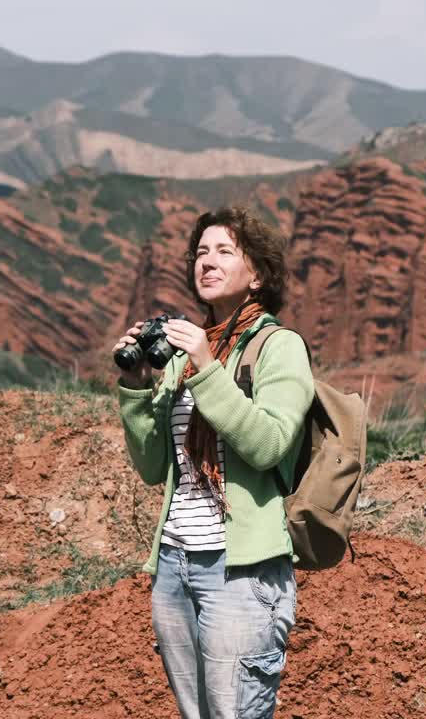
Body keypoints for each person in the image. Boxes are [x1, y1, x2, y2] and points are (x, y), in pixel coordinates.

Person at [113, 206, 315, 719]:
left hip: (240, 573)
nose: (208, 261)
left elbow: (269, 443)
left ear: (258, 275)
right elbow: (155, 466)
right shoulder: (183, 354)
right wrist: (137, 386)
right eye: (201, 251)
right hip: (175, 564)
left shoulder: (279, 347)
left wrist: (206, 368)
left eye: (225, 251)